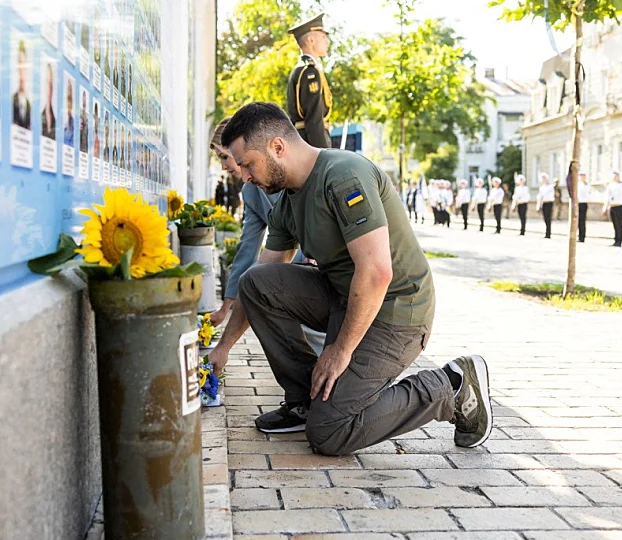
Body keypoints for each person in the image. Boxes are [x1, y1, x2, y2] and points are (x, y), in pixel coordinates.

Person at [209, 101, 493, 454]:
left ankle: (451, 386)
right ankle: (305, 400)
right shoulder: (287, 201)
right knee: (257, 282)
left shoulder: (343, 175)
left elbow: (376, 272)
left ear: (277, 147)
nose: (244, 176)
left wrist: (340, 351)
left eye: (247, 164)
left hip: (395, 312)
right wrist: (223, 348)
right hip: (346, 299)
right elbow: (262, 278)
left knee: (330, 433)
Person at [207, 116, 325, 355]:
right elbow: (248, 248)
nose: (224, 166)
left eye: (224, 157)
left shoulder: (282, 174)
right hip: (290, 264)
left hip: (317, 262)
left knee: (318, 335)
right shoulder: (250, 192)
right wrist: (226, 307)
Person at [286, 13, 332, 149]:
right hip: (310, 140)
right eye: (323, 37)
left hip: (303, 139)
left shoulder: (303, 69)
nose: (327, 42)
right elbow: (313, 118)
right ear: (311, 40)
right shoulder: (309, 72)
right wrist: (323, 153)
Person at [603, 170, 622, 247]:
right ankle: (616, 240)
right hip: (612, 206)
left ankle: (619, 240)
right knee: (614, 224)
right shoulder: (610, 185)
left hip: (619, 206)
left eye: (616, 176)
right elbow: (607, 196)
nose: (615, 177)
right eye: (614, 176)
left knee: (618, 223)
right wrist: (605, 207)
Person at [12, 40, 31, 130]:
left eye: (24, 65)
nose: (21, 70)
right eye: (19, 63)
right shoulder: (11, 101)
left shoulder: (30, 107)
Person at [536, 172, 555, 239]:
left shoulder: (550, 186)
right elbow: (540, 196)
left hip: (549, 203)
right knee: (545, 218)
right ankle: (547, 232)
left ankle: (548, 233)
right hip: (543, 203)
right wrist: (538, 205)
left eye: (544, 178)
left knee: (548, 218)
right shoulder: (541, 187)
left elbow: (550, 196)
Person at [41, 63, 56, 140]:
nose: (49, 88)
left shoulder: (55, 119)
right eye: (47, 83)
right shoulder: (37, 117)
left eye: (51, 84)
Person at [577, 169, 591, 242]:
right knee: (577, 221)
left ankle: (582, 237)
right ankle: (579, 236)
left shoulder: (587, 185)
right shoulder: (577, 184)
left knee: (582, 220)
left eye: (583, 176)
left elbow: (588, 194)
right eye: (581, 176)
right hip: (577, 204)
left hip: (583, 203)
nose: (582, 177)